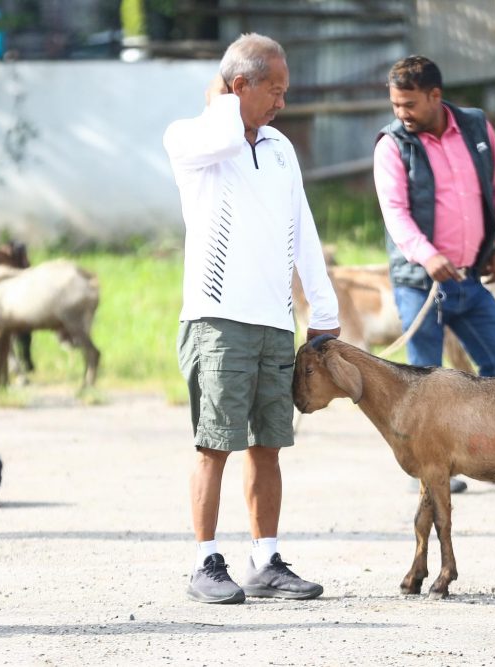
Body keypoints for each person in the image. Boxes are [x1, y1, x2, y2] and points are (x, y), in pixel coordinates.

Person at [163, 33, 340, 605]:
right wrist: (224, 97)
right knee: (214, 444)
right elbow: (221, 133)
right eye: (275, 90)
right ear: (240, 85)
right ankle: (205, 561)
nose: (282, 102)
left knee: (269, 444)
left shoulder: (281, 148)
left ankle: (265, 560)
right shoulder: (191, 138)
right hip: (217, 322)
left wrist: (323, 308)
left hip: (274, 322)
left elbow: (303, 228)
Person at [372, 55, 495, 494]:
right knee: (426, 378)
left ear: (436, 96)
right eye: (396, 104)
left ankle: (490, 455)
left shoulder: (475, 126)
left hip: (470, 278)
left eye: (409, 104)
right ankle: (435, 467)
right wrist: (425, 254)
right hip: (421, 283)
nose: (401, 113)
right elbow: (395, 214)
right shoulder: (392, 145)